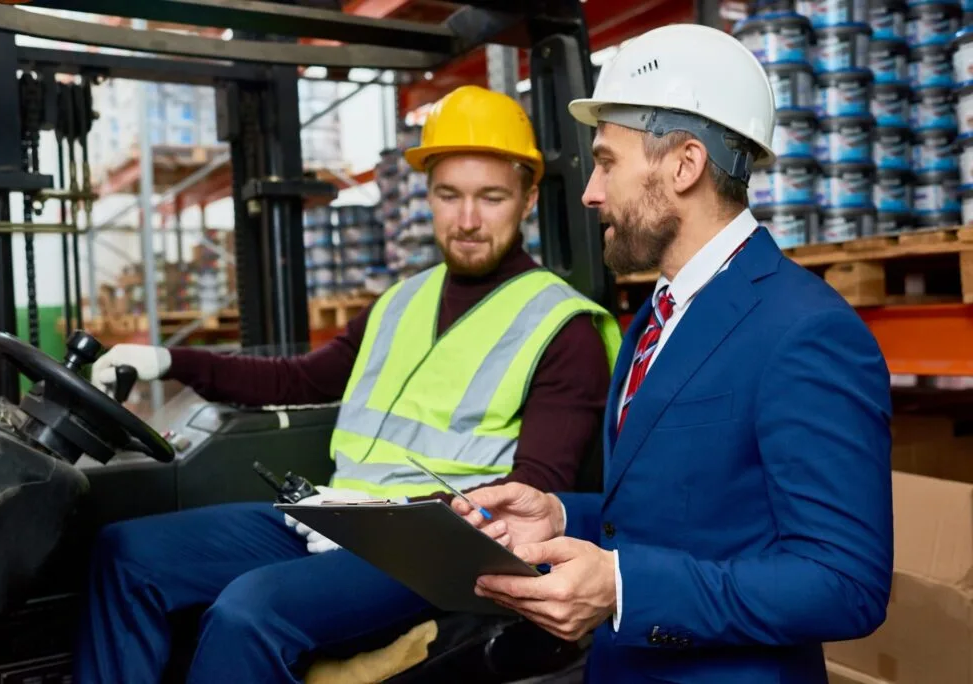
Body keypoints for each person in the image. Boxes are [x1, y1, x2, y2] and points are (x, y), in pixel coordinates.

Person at [74, 84, 623, 683]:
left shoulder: (561, 326)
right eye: (449, 195)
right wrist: (168, 360)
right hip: (329, 520)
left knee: (248, 614)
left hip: (433, 554)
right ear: (428, 196)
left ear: (528, 199)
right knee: (126, 553)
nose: (467, 220)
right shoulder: (402, 300)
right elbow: (299, 378)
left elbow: (533, 496)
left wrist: (396, 519)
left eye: (490, 197)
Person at [453, 25, 894, 684]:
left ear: (684, 165)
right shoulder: (658, 317)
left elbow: (844, 583)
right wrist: (563, 513)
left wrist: (626, 591)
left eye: (607, 162)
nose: (590, 193)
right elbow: (686, 513)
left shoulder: (805, 332)